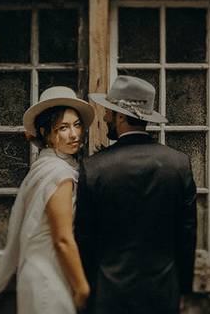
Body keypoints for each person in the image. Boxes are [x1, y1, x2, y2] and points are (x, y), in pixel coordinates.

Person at [75, 75, 197, 314]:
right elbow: (187, 235)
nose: (105, 117)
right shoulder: (179, 164)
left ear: (120, 116)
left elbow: (84, 238)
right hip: (163, 291)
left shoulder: (94, 167)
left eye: (109, 112)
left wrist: (87, 290)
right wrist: (183, 289)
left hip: (109, 294)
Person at [0, 86, 94, 313]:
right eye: (63, 128)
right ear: (45, 133)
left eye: (77, 125)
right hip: (47, 277)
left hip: (40, 272)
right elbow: (62, 239)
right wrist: (82, 288)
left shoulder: (44, 166)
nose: (74, 134)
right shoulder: (59, 173)